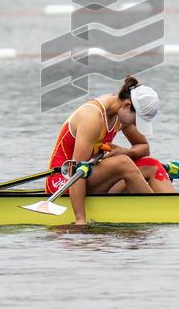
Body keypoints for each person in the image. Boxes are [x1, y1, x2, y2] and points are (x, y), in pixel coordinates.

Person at [46, 76, 172, 225]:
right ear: (126, 105)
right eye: (137, 120)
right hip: (64, 180)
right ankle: (157, 217)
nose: (136, 124)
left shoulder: (120, 111)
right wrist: (80, 220)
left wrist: (125, 151)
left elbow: (143, 148)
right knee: (123, 163)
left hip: (89, 176)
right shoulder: (92, 118)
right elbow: (76, 171)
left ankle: (173, 211)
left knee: (152, 165)